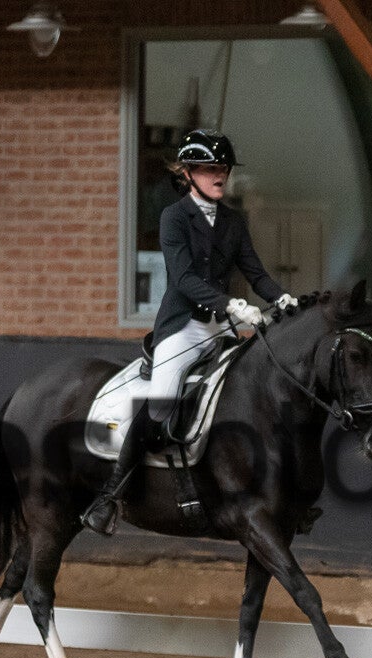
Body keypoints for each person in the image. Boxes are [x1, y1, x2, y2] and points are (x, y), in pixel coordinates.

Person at [81, 129, 297, 536]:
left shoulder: (233, 220)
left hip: (220, 329)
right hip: (183, 327)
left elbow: (256, 273)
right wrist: (231, 304)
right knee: (160, 404)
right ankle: (110, 496)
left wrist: (283, 298)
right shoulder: (174, 217)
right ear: (188, 173)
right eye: (210, 169)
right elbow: (182, 278)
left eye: (224, 169)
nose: (220, 176)